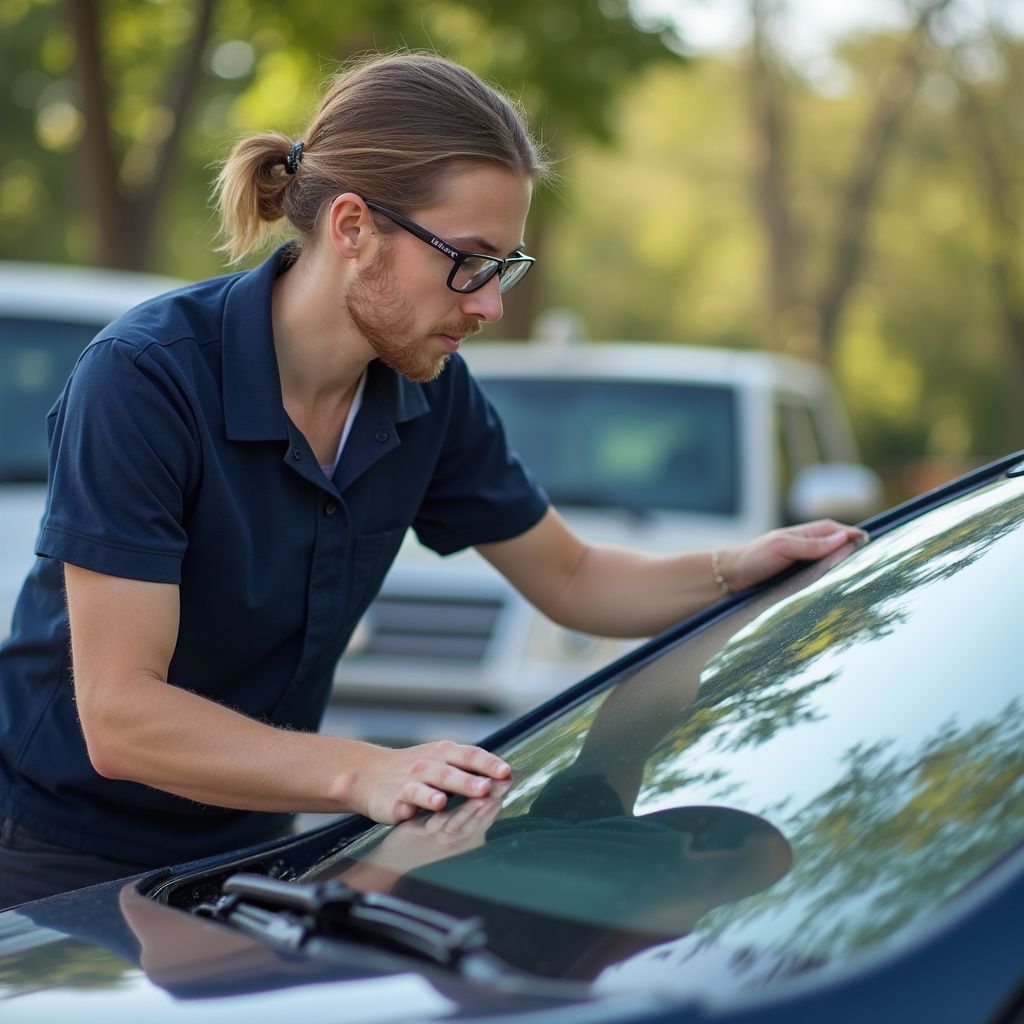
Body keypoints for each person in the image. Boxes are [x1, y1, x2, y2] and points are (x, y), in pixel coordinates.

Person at [0, 52, 865, 911]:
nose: (490, 305)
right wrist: (369, 772)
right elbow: (120, 718)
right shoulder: (144, 377)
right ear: (350, 227)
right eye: (470, 259)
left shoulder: (429, 394)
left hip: (256, 851)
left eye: (505, 268)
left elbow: (571, 578)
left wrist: (736, 570)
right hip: (54, 853)